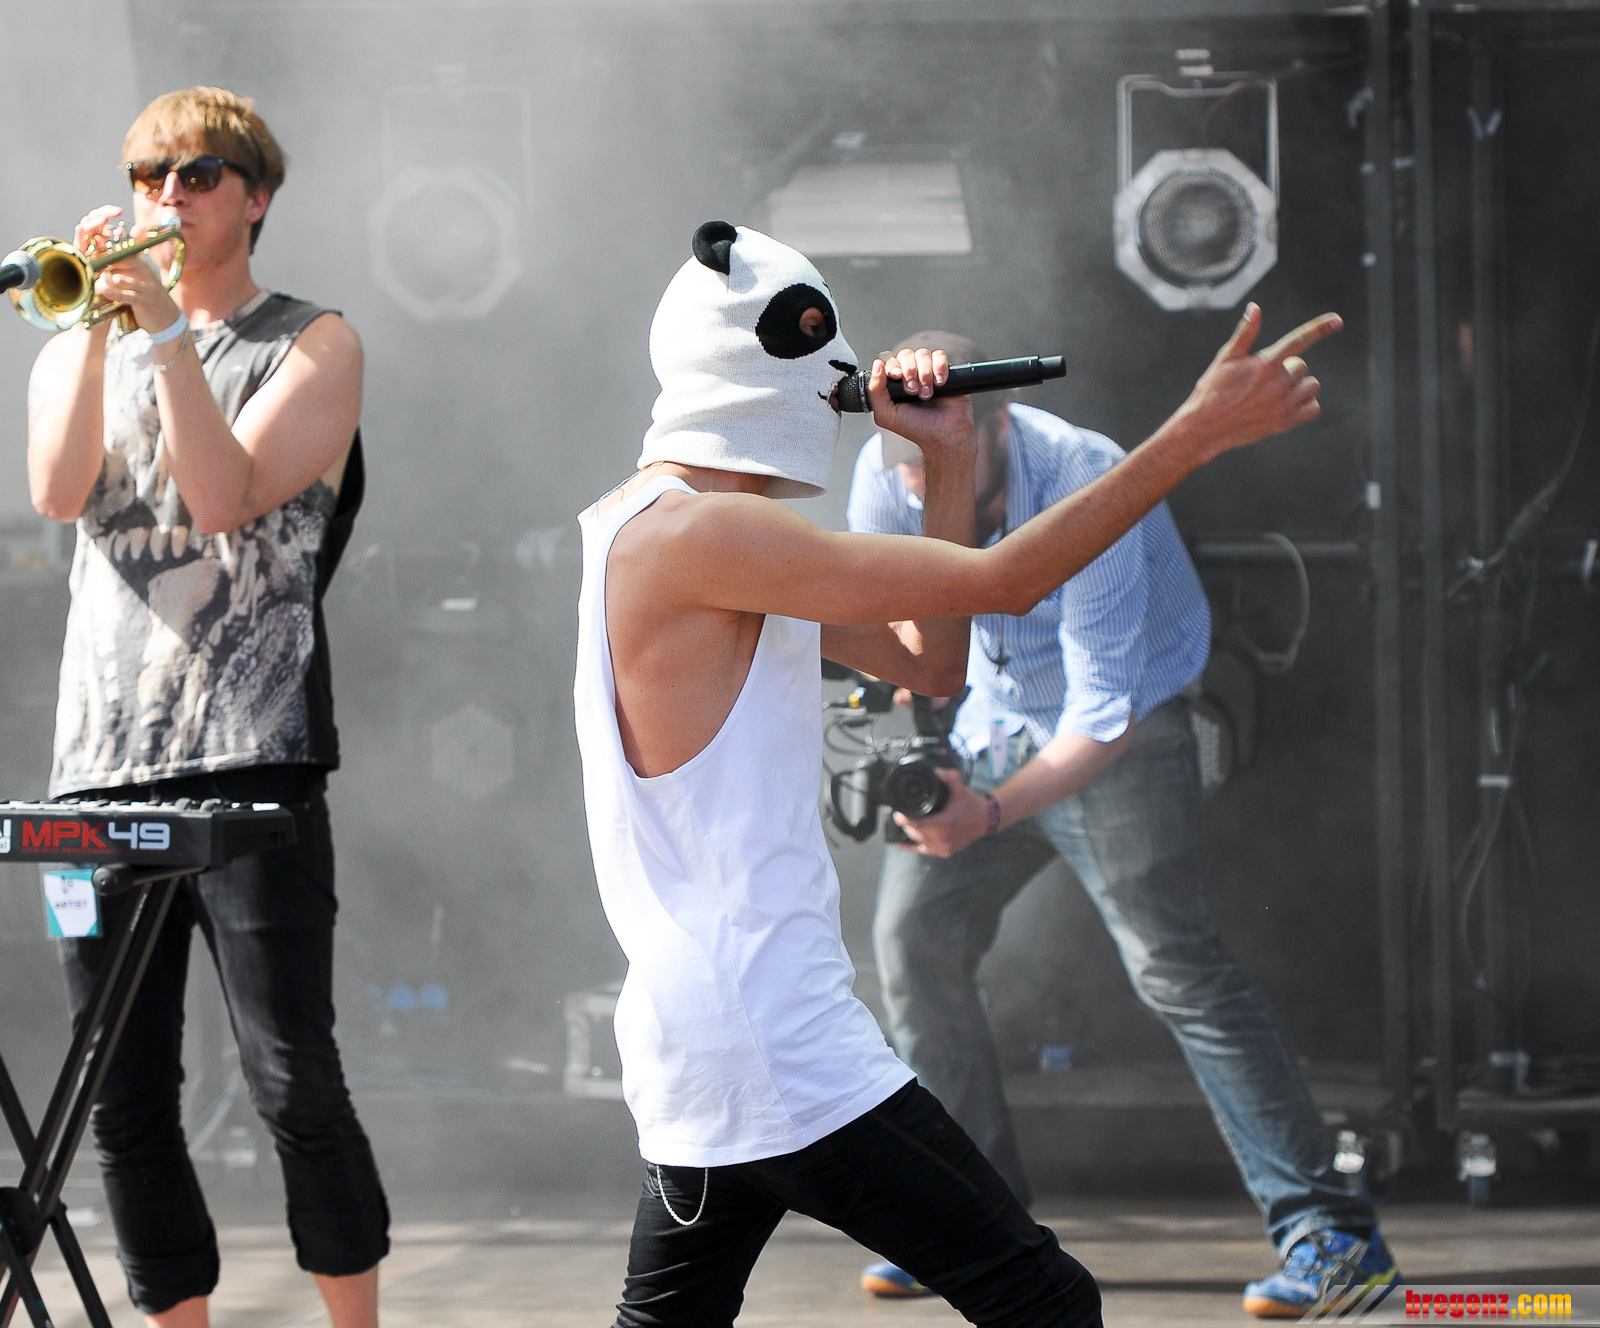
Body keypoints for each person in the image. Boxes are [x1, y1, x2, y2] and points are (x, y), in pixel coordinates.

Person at [574, 220, 1338, 1328]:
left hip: (700, 1036)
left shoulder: (641, 528)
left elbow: (932, 659)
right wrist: (1191, 435)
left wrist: (944, 457)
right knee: (1047, 1303)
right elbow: (1004, 581)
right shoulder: (710, 537)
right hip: (778, 1035)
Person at [843, 331, 1396, 1318]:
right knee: (909, 944)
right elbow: (907, 634)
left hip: (1119, 727)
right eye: (910, 470)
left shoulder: (1084, 475)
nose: (922, 492)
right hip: (989, 723)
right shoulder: (884, 474)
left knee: (1174, 968)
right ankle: (969, 1224)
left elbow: (1099, 713)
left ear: (997, 426)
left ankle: (1332, 1235)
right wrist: (919, 746)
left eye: (945, 468)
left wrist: (989, 812)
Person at [25, 86, 385, 1327]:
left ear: (256, 196)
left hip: (249, 752)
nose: (164, 198)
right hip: (98, 760)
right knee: (119, 1092)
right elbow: (58, 488)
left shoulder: (312, 341)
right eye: (147, 176)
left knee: (291, 1076)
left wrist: (168, 331)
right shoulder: (85, 342)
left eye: (196, 175)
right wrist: (91, 331)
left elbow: (222, 492)